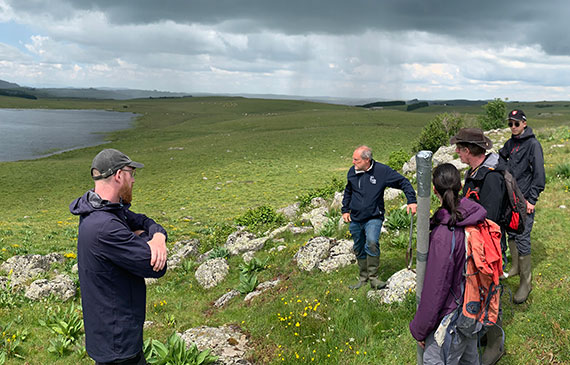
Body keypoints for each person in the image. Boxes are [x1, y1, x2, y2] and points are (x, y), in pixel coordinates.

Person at [70, 148, 168, 365]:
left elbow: (143, 221)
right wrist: (145, 240)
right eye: (131, 173)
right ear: (118, 175)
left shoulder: (106, 210)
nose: (133, 180)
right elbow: (156, 267)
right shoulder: (105, 227)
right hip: (117, 342)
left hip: (114, 334)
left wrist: (158, 237)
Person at [410, 163, 486, 365]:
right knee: (470, 358)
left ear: (434, 190)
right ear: (461, 187)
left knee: (434, 359)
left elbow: (436, 289)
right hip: (472, 305)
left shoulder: (444, 235)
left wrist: (420, 329)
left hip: (451, 316)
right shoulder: (474, 217)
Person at [450, 128, 506, 365]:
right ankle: (483, 331)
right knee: (479, 291)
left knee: (491, 291)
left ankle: (495, 343)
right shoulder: (475, 172)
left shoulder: (491, 177)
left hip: (489, 247)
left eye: (459, 148)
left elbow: (489, 217)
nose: (456, 152)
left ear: (469, 150)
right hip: (477, 244)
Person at [341, 145, 417, 290]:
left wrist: (411, 201)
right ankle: (363, 278)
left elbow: (403, 182)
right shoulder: (352, 172)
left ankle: (373, 278)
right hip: (355, 218)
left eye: (356, 160)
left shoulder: (382, 171)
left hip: (373, 217)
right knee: (358, 246)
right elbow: (348, 191)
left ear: (367, 160)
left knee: (371, 242)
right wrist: (345, 210)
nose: (353, 162)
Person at [499, 109, 545, 304]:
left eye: (516, 123)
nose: (513, 127)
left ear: (524, 124)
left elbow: (539, 175)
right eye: (510, 123)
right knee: (512, 232)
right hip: (511, 198)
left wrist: (532, 200)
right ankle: (515, 266)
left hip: (524, 199)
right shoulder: (510, 143)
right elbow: (501, 157)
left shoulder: (533, 145)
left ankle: (526, 282)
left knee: (523, 237)